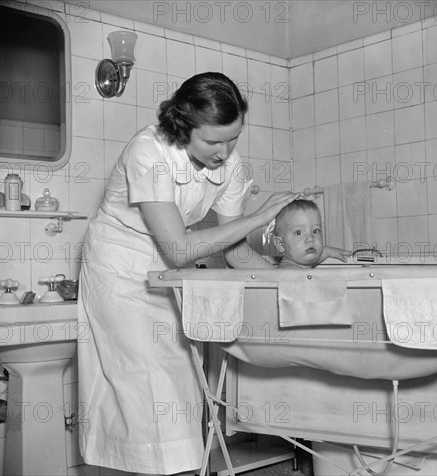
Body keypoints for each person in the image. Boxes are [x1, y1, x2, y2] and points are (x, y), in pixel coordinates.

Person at [77, 72, 299, 476]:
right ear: (183, 125)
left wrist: (293, 273)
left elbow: (234, 252)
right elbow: (180, 249)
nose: (224, 151)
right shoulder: (149, 150)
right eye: (213, 141)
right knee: (146, 385)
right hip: (120, 271)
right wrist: (260, 215)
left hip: (168, 276)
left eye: (233, 138)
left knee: (179, 389)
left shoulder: (231, 166)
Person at [272, 199, 325, 269]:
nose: (310, 239)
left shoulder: (298, 266)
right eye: (298, 233)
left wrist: (330, 252)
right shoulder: (290, 272)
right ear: (281, 244)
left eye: (315, 231)